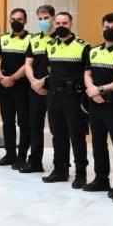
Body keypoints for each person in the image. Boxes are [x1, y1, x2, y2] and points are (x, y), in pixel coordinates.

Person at [43, 12, 90, 186]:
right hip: (54, 96)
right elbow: (50, 70)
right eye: (58, 23)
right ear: (54, 24)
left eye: (65, 23)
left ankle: (80, 173)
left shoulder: (82, 46)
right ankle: (60, 169)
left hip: (73, 97)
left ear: (71, 24)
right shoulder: (51, 45)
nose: (61, 26)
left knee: (76, 136)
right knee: (58, 134)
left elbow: (87, 73)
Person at [83, 13, 113, 194]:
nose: (110, 30)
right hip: (95, 104)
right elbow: (87, 74)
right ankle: (101, 179)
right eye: (107, 27)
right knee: (98, 143)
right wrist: (92, 91)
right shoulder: (94, 51)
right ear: (102, 27)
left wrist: (100, 89)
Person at [0, 8, 31, 168]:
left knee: (23, 122)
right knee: (7, 121)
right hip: (4, 85)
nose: (16, 22)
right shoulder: (3, 39)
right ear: (9, 21)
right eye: (13, 19)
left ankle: (22, 157)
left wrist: (13, 78)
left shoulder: (31, 40)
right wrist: (1, 77)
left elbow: (29, 63)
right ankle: (9, 154)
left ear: (25, 21)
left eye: (19, 19)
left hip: (22, 85)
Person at [21, 4, 56, 174]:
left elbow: (62, 68)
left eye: (46, 18)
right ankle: (35, 161)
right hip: (35, 90)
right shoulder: (33, 40)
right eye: (40, 19)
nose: (43, 21)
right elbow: (28, 64)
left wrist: (44, 82)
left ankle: (60, 164)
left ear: (53, 18)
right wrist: (34, 82)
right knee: (34, 126)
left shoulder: (60, 39)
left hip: (54, 91)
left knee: (58, 129)